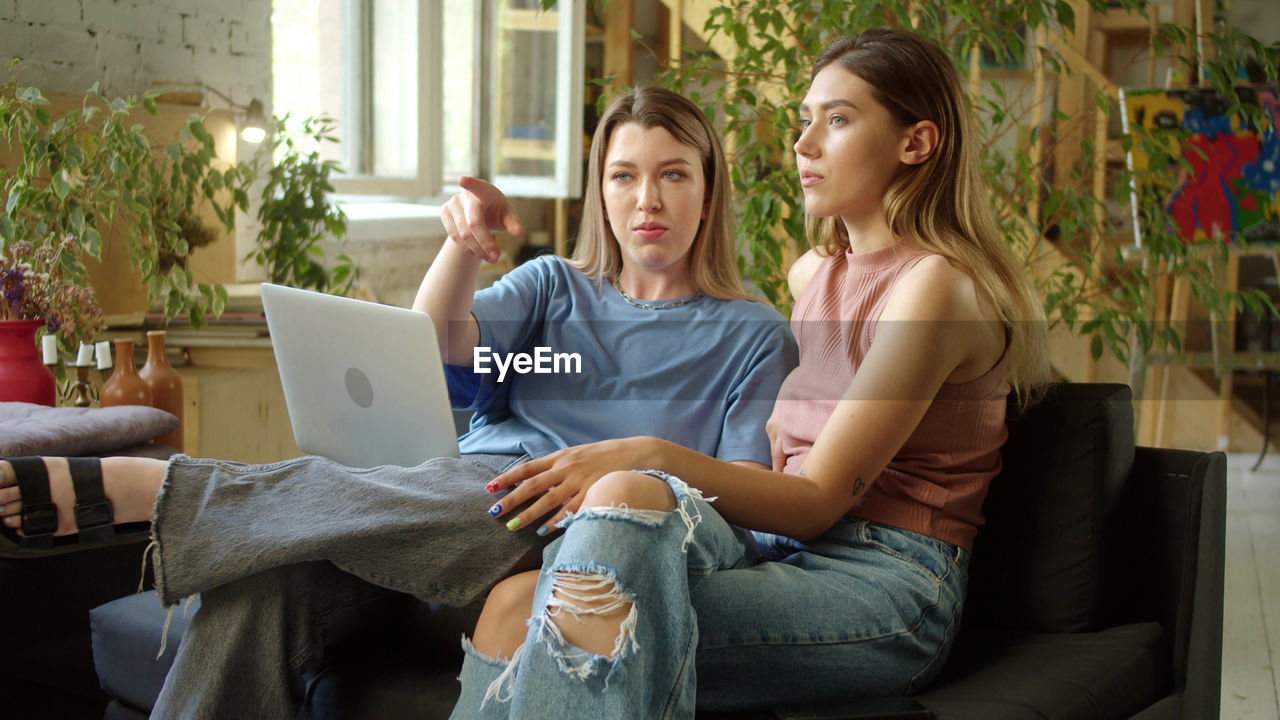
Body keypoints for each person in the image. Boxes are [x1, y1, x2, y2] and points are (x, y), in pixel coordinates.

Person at [0, 86, 796, 719]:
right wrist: (462, 244)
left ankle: (170, 492)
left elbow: (744, 509)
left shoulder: (755, 334)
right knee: (264, 585)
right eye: (624, 175)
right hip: (445, 514)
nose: (646, 198)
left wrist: (624, 477)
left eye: (673, 174)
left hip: (566, 540)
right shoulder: (555, 287)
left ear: (707, 189)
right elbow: (435, 348)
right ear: (602, 191)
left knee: (496, 489)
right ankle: (198, 504)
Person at [446, 28, 1052, 720]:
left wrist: (646, 456)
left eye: (839, 120)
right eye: (805, 120)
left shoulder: (935, 289)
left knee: (614, 520)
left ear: (915, 143)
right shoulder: (813, 275)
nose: (805, 145)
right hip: (787, 555)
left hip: (888, 585)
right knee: (513, 600)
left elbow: (820, 497)